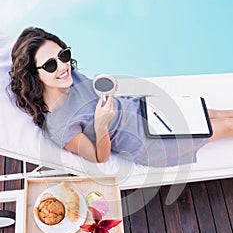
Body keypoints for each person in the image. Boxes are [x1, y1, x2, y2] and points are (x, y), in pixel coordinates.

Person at [8, 27, 233, 167]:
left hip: (142, 109)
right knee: (223, 128)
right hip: (148, 142)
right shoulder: (58, 125)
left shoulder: (68, 75)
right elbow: (99, 157)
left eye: (63, 55)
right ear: (33, 74)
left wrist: (105, 87)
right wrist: (100, 124)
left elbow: (94, 93)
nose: (63, 66)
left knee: (208, 112)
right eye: (50, 64)